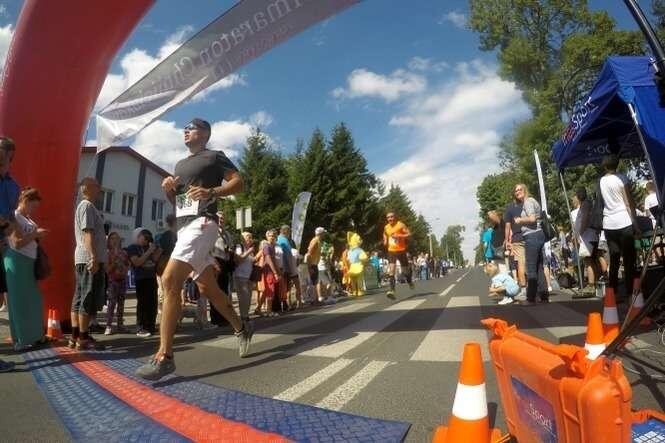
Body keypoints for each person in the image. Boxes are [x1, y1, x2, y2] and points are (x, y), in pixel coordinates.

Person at [135, 118, 252, 381]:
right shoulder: (179, 165)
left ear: (205, 133)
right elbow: (178, 202)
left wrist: (212, 192)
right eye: (185, 128)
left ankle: (165, 357)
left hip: (203, 223)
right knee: (207, 288)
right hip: (185, 227)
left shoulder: (214, 156)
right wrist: (169, 190)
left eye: (192, 128)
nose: (186, 130)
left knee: (169, 280)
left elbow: (239, 183)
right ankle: (241, 326)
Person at [5, 188, 47, 350]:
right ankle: (20, 340)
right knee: (18, 301)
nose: (34, 209)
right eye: (33, 206)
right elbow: (17, 243)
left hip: (27, 262)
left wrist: (36, 235)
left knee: (33, 300)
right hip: (16, 260)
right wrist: (36, 234)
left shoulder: (26, 218)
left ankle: (34, 336)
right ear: (25, 201)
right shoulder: (14, 216)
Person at [71, 177, 107, 350]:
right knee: (86, 297)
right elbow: (88, 232)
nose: (99, 189)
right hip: (88, 258)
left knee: (79, 297)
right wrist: (93, 256)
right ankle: (83, 339)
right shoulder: (86, 206)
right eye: (96, 186)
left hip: (83, 258)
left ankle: (76, 336)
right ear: (86, 188)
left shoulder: (87, 207)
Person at [599, 154, 638, 300]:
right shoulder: (622, 178)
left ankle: (613, 292)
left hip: (609, 223)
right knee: (629, 259)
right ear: (617, 165)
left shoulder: (602, 180)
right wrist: (635, 224)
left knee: (614, 259)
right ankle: (630, 293)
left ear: (605, 166)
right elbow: (628, 203)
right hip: (624, 222)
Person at [513, 183, 548, 305]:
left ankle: (531, 298)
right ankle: (544, 296)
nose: (517, 192)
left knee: (531, 268)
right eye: (516, 191)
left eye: (520, 189)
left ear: (525, 189)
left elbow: (532, 219)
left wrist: (520, 220)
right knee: (539, 267)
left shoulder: (528, 202)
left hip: (532, 236)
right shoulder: (532, 201)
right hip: (539, 235)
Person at [127, 229, 162, 337]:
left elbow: (154, 260)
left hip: (151, 277)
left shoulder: (149, 247)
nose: (146, 240)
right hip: (141, 278)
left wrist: (159, 250)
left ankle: (151, 326)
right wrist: (149, 251)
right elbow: (137, 262)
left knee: (153, 303)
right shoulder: (132, 248)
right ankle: (141, 327)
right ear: (138, 236)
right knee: (143, 304)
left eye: (148, 238)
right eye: (144, 237)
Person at [571, 189, 599, 296]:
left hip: (587, 236)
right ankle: (594, 284)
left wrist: (579, 233)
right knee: (590, 261)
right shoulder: (586, 204)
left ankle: (591, 285)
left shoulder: (586, 204)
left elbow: (585, 219)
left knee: (589, 261)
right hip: (589, 236)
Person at [383, 212, 414, 299]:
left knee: (405, 271)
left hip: (401, 251)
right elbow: (384, 233)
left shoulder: (400, 225)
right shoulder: (386, 227)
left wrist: (400, 236)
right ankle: (392, 290)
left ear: (395, 217)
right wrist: (385, 240)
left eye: (391, 217)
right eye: (388, 217)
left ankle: (409, 281)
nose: (390, 219)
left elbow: (409, 234)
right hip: (391, 251)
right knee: (391, 270)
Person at [211, 210, 234, 326]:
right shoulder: (211, 232)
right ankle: (215, 318)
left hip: (225, 262)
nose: (221, 220)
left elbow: (231, 247)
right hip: (215, 261)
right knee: (216, 290)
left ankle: (224, 317)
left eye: (223, 218)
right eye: (219, 218)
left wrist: (230, 250)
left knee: (224, 291)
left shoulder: (227, 234)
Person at [104, 232, 129, 335]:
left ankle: (120, 325)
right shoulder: (107, 254)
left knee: (121, 304)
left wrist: (126, 270)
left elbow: (127, 264)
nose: (114, 240)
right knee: (111, 304)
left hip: (122, 281)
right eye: (112, 238)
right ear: (109, 241)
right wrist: (114, 262)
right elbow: (107, 270)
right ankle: (108, 326)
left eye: (116, 238)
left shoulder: (124, 253)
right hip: (113, 282)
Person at [504, 198, 526, 299]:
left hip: (517, 238)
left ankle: (524, 290)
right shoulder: (528, 203)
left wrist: (507, 241)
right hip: (530, 235)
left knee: (521, 264)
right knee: (532, 263)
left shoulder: (509, 208)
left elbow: (507, 226)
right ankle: (537, 290)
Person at [277, 225, 303, 309]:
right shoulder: (284, 240)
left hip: (285, 267)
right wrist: (290, 267)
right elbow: (288, 257)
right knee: (288, 287)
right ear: (286, 231)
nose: (290, 233)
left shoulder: (280, 240)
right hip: (287, 268)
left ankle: (287, 304)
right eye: (289, 232)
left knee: (286, 287)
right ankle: (292, 304)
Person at [156, 214, 177, 313]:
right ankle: (167, 309)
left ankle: (162, 308)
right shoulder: (177, 236)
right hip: (173, 264)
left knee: (163, 288)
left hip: (164, 265)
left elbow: (160, 250)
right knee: (170, 289)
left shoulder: (164, 235)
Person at [234, 232, 255, 322]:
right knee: (243, 297)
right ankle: (243, 316)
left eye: (251, 237)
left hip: (249, 277)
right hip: (240, 276)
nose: (250, 239)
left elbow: (252, 261)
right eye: (247, 237)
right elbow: (239, 259)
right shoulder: (240, 247)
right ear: (242, 238)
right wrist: (249, 251)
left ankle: (246, 315)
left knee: (248, 297)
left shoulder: (250, 249)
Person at [259, 229, 280, 317]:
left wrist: (278, 271)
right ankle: (269, 311)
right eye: (270, 236)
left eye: (274, 236)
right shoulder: (267, 246)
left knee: (266, 291)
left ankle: (258, 309)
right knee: (270, 290)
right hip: (268, 271)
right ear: (267, 237)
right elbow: (268, 259)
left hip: (271, 271)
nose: (272, 237)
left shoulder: (272, 246)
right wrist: (275, 272)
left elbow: (274, 260)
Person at [305, 227, 326, 303]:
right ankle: (314, 300)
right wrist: (309, 267)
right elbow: (309, 254)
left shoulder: (318, 241)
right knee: (315, 282)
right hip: (312, 264)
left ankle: (316, 299)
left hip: (314, 264)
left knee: (316, 282)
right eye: (323, 233)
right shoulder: (315, 241)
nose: (324, 234)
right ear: (320, 234)